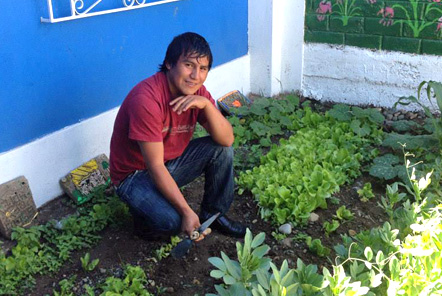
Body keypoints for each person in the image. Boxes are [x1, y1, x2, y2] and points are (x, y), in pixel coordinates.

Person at [109, 32, 246, 241]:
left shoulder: (197, 92)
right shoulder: (147, 99)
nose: (195, 75)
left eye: (203, 69)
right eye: (189, 65)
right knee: (171, 222)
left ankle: (213, 215)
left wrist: (208, 105)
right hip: (133, 177)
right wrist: (185, 211)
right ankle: (142, 220)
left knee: (221, 150)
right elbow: (154, 166)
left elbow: (227, 140)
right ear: (170, 64)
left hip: (168, 163)